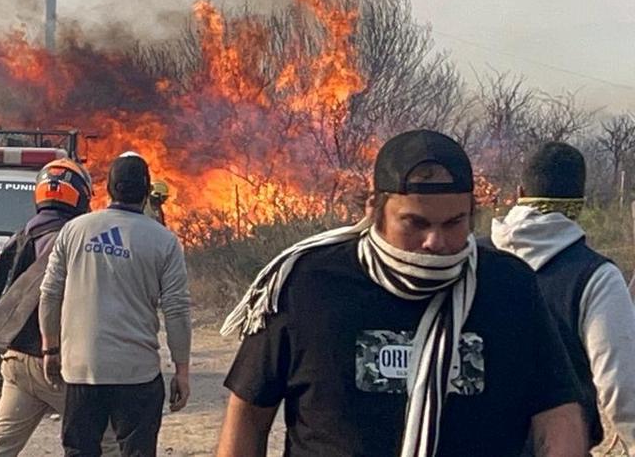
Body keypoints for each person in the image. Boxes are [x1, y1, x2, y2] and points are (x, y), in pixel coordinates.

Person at [216, 129, 587, 457]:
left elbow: (557, 413)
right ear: (374, 209)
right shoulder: (307, 284)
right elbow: (248, 412)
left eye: (454, 223)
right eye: (416, 223)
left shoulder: (510, 287)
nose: (435, 242)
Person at [40, 152, 192, 457]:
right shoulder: (164, 241)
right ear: (148, 191)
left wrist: (50, 348)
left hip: (82, 370)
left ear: (108, 188)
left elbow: (50, 294)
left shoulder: (74, 230)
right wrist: (182, 370)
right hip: (136, 373)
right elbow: (176, 310)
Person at [488, 142, 635, 450]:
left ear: (519, 192)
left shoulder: (470, 258)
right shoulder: (596, 276)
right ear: (580, 203)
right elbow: (622, 391)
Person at [0, 159, 118, 457]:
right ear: (80, 195)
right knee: (107, 443)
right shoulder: (77, 241)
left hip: (17, 363)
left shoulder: (18, 238)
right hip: (57, 365)